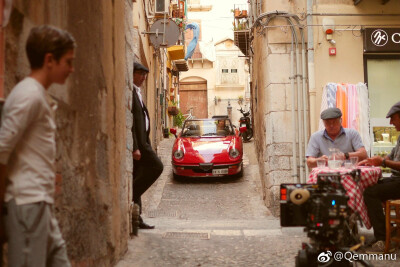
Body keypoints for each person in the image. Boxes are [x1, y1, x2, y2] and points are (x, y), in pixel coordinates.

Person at [0, 25, 75, 266]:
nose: (71, 69)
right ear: (49, 60)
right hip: (27, 203)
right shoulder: (28, 95)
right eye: (68, 61)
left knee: (59, 260)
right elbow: (2, 149)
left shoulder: (36, 94)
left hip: (38, 203)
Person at [358, 101, 400, 254]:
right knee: (370, 187)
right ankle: (387, 232)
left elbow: (391, 162)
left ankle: (383, 238)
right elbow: (392, 155)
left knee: (371, 192)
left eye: (393, 118)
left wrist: (382, 161)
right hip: (396, 180)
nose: (391, 122)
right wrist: (373, 160)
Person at [131, 62, 163, 230]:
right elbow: (130, 122)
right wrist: (135, 146)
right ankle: (131, 194)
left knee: (137, 175)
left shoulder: (138, 92)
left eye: (145, 75)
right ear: (132, 74)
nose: (143, 78)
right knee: (157, 167)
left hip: (144, 143)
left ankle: (136, 218)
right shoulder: (130, 92)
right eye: (140, 74)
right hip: (140, 146)